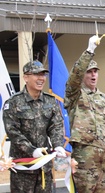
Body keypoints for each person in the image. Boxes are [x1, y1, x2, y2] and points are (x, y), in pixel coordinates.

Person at [64, 35, 105, 192]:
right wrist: (89, 50)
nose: (93, 75)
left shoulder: (104, 98)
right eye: (89, 72)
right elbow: (74, 78)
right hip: (85, 160)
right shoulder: (75, 94)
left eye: (95, 72)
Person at [2, 60, 66, 192]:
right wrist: (32, 150)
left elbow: (56, 126)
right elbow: (13, 132)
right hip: (23, 170)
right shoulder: (13, 103)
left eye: (43, 75)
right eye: (36, 74)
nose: (41, 78)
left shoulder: (50, 101)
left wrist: (57, 144)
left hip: (44, 168)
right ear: (26, 77)